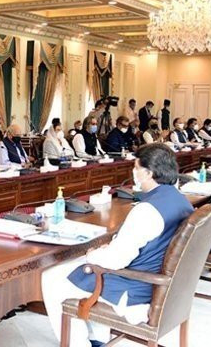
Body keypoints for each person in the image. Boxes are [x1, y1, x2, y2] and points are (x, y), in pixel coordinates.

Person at [41, 143, 193, 347]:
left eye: (136, 168)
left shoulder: (147, 210)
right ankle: (97, 339)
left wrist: (93, 254)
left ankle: (79, 344)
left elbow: (116, 260)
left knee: (51, 277)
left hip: (137, 288)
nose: (133, 172)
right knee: (83, 266)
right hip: (164, 285)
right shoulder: (181, 201)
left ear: (148, 173)